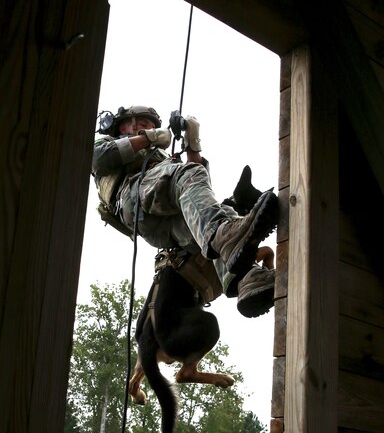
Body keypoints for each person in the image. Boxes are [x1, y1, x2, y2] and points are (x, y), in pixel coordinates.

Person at [91, 104, 278, 317]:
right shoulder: (107, 142)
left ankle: (248, 280)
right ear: (123, 127)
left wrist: (192, 141)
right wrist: (150, 137)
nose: (148, 128)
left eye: (151, 126)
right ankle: (226, 239)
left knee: (217, 216)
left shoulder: (159, 157)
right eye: (143, 124)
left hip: (159, 224)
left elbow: (197, 185)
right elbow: (96, 157)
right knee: (214, 223)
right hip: (134, 197)